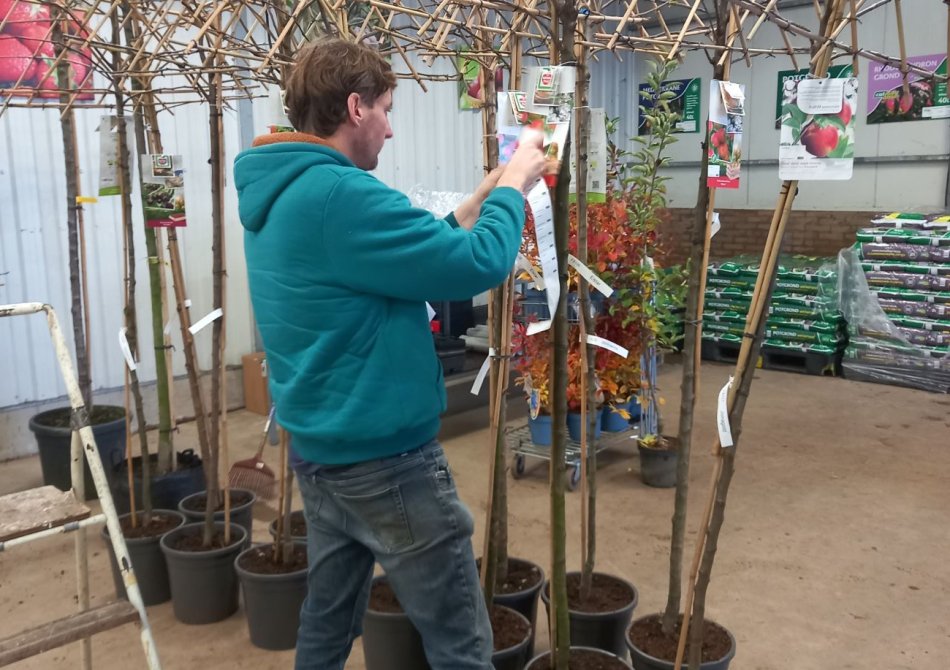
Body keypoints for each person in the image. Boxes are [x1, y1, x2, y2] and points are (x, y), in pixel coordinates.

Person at [233, 38, 545, 670]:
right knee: (460, 636)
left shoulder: (285, 192)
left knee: (328, 620)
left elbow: (412, 252)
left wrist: (482, 195)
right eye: (385, 109)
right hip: (387, 462)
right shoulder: (340, 196)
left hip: (324, 453)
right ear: (355, 107)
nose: (391, 128)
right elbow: (473, 266)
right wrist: (516, 184)